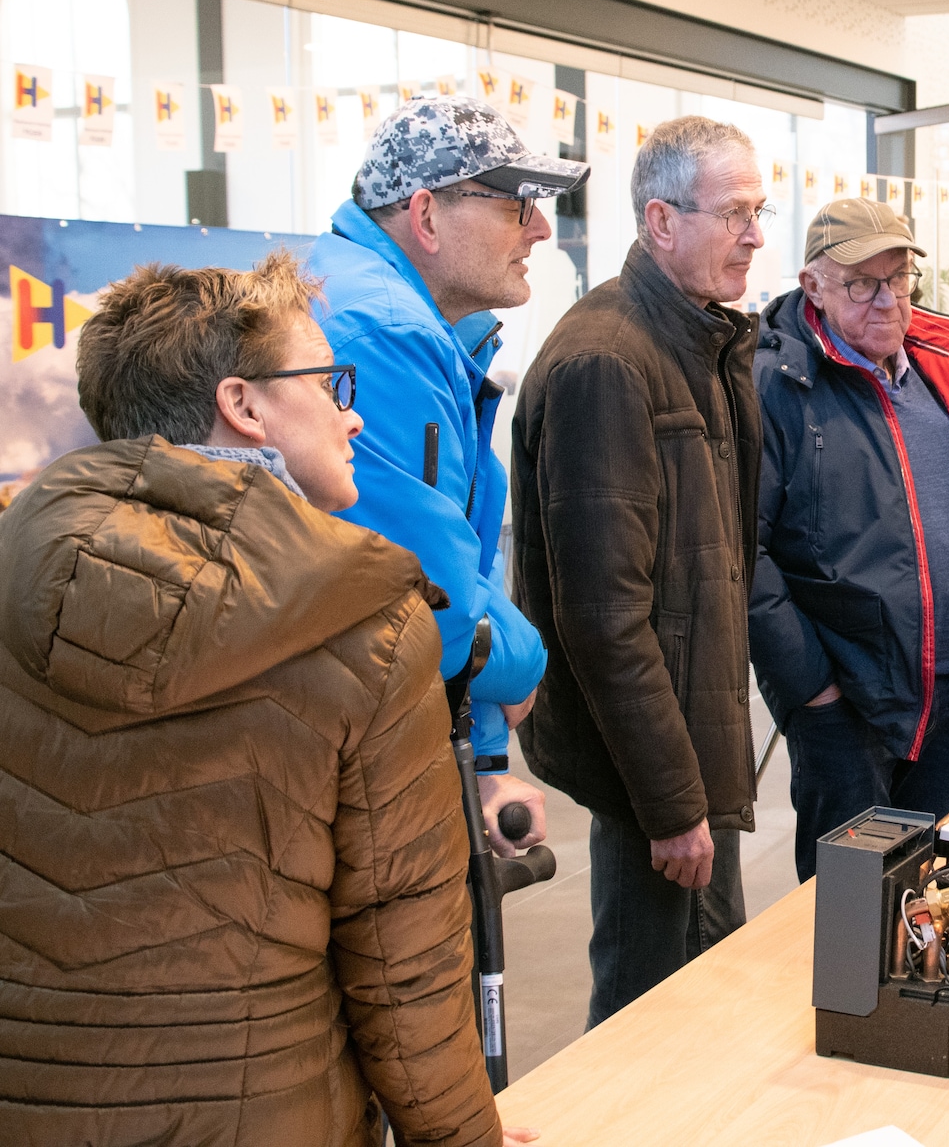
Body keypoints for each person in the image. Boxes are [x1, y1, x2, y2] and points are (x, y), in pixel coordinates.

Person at [0, 253, 532, 1145]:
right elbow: (403, 969)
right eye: (330, 384)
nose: (352, 413)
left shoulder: (16, 578)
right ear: (243, 406)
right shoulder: (367, 629)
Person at [511, 115, 764, 1026]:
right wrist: (671, 804)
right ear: (662, 220)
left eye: (758, 210)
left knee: (705, 993)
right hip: (652, 772)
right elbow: (603, 616)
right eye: (735, 213)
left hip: (698, 743)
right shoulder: (604, 365)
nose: (755, 235)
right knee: (645, 1015)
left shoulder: (705, 344)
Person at [312, 96, 588, 858]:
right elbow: (423, 600)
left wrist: (491, 758)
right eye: (516, 204)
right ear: (427, 217)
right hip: (365, 753)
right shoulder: (381, 331)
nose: (539, 228)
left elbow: (455, 556)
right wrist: (521, 662)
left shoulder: (398, 312)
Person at [751, 198, 949, 881]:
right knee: (850, 910)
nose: (887, 301)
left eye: (898, 280)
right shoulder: (778, 385)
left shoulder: (943, 366)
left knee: (945, 890)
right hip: (848, 702)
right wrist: (811, 690)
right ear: (812, 285)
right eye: (862, 283)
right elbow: (741, 556)